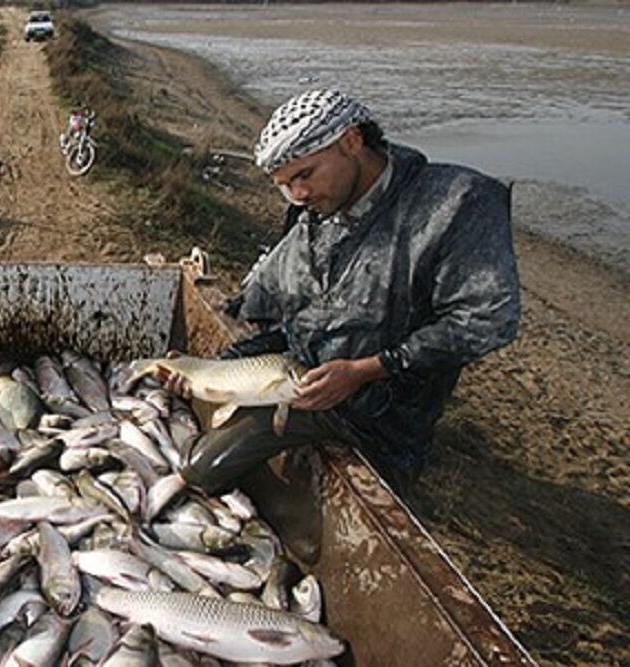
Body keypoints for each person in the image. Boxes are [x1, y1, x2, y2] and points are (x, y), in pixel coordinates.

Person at [170, 88, 520, 497]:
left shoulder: (458, 202)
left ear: (352, 141)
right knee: (199, 456)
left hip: (386, 414)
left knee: (202, 469)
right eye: (286, 186)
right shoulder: (315, 213)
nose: (298, 195)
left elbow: (487, 322)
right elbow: (291, 318)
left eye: (305, 175)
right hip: (304, 382)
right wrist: (209, 368)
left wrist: (364, 371)